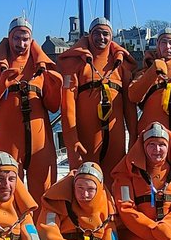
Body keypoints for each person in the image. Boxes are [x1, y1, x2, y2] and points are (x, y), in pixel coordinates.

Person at [0, 18, 63, 194]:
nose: (21, 43)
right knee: (5, 192)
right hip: (6, 140)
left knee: (43, 192)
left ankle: (39, 223)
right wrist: (1, 84)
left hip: (39, 143)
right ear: (9, 38)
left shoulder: (42, 67)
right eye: (17, 38)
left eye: (25, 39)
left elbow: (53, 107)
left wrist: (56, 87)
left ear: (31, 39)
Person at [58, 17, 137, 187]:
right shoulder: (76, 64)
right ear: (89, 35)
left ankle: (113, 213)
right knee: (85, 184)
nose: (101, 38)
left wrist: (134, 136)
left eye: (105, 34)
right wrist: (72, 140)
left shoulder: (121, 65)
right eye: (97, 33)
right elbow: (67, 106)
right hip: (86, 140)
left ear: (111, 37)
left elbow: (129, 107)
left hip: (115, 137)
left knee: (115, 180)